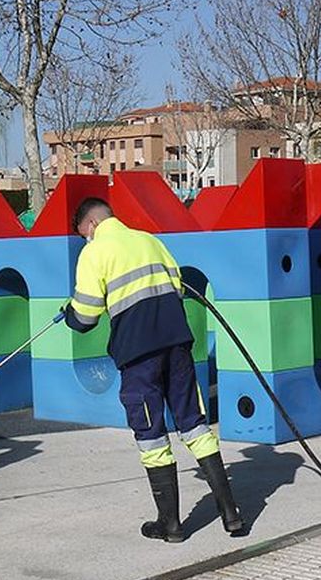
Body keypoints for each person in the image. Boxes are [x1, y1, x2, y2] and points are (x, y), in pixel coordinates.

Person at [63, 197, 249, 541]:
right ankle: (231, 513)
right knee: (194, 424)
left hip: (138, 354)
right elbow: (176, 287)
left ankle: (171, 524)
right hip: (177, 345)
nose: (86, 238)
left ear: (91, 225)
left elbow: (86, 316)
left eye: (84, 233)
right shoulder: (150, 240)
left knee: (151, 434)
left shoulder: (94, 251)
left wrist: (70, 315)